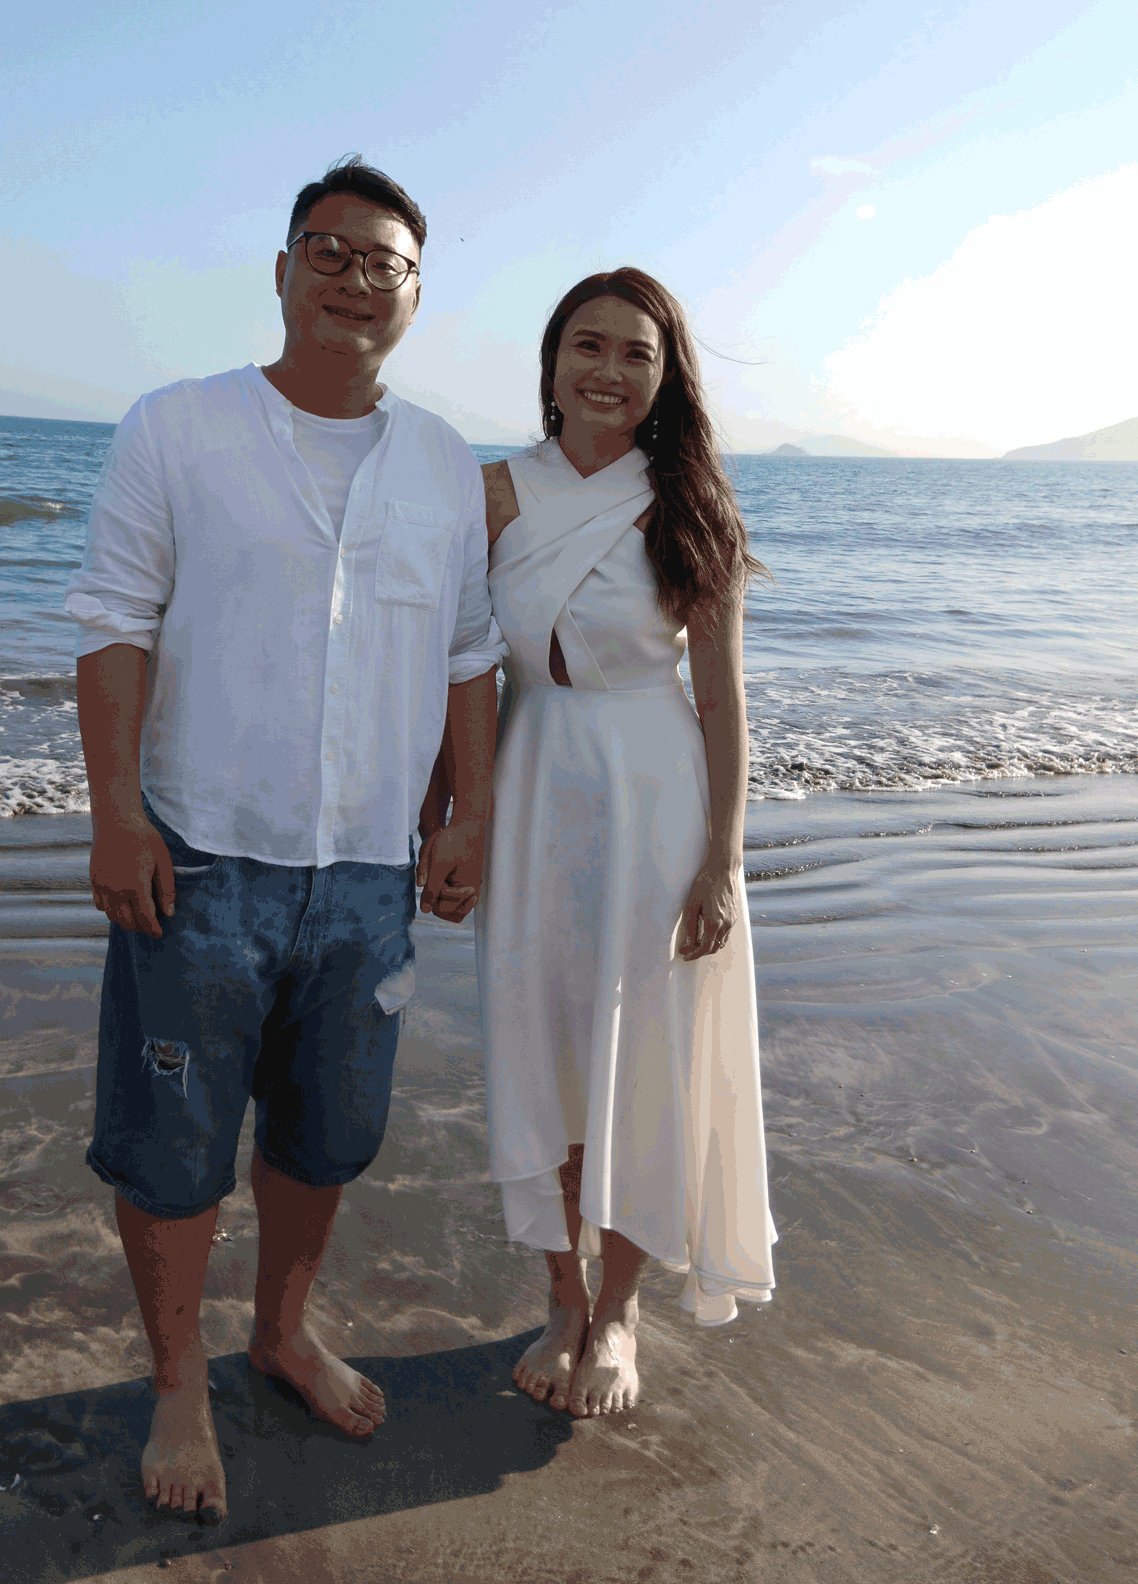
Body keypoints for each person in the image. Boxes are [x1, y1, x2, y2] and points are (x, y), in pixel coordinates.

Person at [65, 156, 502, 1523]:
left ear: (417, 294)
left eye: (384, 261)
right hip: (201, 857)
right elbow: (114, 622)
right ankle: (180, 1379)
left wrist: (468, 811)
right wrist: (117, 811)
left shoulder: (440, 463)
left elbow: (471, 655)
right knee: (173, 1143)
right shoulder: (177, 428)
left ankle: (281, 1334)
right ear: (281, 267)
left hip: (369, 868)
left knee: (327, 1139)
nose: (355, 276)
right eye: (330, 249)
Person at [465, 267, 776, 1418]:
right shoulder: (492, 490)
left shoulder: (687, 499)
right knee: (541, 1037)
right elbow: (458, 667)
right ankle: (560, 1292)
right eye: (586, 346)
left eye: (635, 353)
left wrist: (721, 860)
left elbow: (725, 704)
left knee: (643, 1049)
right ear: (550, 364)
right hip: (533, 781)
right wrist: (452, 816)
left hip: (657, 801)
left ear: (664, 375)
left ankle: (623, 1308)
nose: (607, 369)